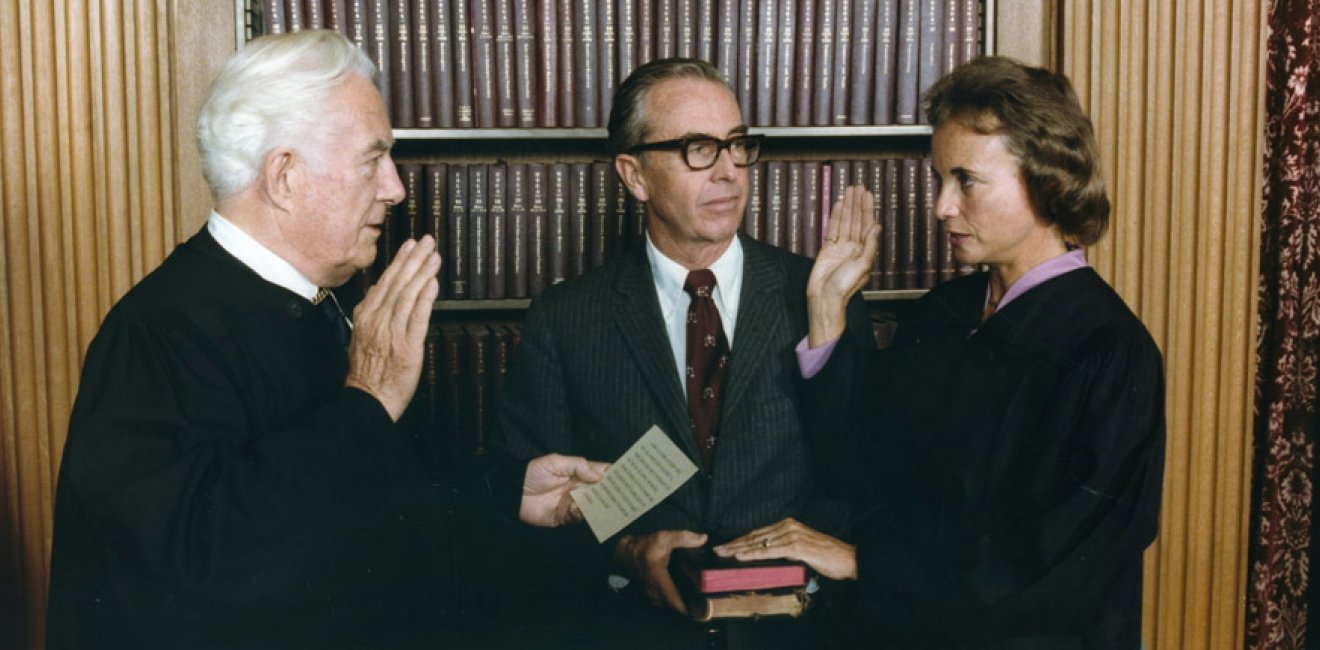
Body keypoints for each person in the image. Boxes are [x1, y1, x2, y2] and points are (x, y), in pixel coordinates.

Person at [46, 30, 605, 649]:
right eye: (373, 160)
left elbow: (372, 513)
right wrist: (365, 400)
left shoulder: (323, 305)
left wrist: (506, 491)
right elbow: (197, 576)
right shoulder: (157, 332)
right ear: (284, 175)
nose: (395, 188)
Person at [715, 56, 1166, 648]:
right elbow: (857, 472)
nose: (941, 207)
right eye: (939, 181)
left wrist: (862, 562)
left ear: (1047, 178)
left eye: (967, 181)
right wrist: (826, 308)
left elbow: (1055, 567)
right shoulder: (943, 314)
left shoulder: (1109, 353)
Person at [492, 58, 871, 649]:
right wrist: (625, 550)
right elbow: (526, 515)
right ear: (635, 175)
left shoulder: (821, 292)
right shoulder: (565, 318)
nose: (729, 172)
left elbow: (864, 479)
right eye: (699, 148)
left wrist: (826, 324)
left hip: (802, 635)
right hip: (635, 634)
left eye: (738, 145)